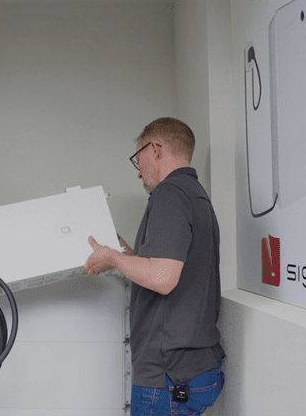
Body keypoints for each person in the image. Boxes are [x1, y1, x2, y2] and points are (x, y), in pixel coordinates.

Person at [84, 117, 225, 416]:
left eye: (138, 159)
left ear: (156, 149)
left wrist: (111, 257)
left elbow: (162, 279)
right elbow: (169, 270)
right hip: (193, 367)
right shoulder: (196, 195)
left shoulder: (169, 193)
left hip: (169, 376)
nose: (139, 173)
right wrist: (124, 251)